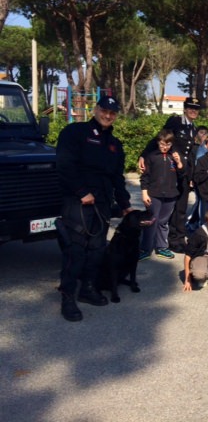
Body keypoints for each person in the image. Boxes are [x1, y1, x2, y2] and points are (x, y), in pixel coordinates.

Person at [56, 95, 132, 322]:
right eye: (104, 110)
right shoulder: (74, 132)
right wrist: (81, 191)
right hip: (78, 202)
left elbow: (118, 178)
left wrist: (126, 205)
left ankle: (87, 288)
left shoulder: (115, 144)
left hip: (102, 204)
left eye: (112, 112)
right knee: (76, 251)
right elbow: (64, 164)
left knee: (97, 249)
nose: (108, 115)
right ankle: (67, 296)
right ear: (96, 109)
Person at [139, 97, 202, 253]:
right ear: (185, 109)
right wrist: (143, 154)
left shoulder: (193, 128)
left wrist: (191, 174)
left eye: (196, 109)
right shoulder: (175, 122)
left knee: (181, 207)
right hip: (172, 170)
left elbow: (190, 153)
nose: (193, 111)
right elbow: (160, 138)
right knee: (168, 207)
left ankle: (177, 239)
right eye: (190, 108)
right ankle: (167, 240)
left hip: (184, 171)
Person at [140, 129, 183, 261]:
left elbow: (182, 174)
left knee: (163, 222)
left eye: (168, 145)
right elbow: (145, 176)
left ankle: (161, 247)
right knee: (151, 220)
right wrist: (144, 192)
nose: (165, 147)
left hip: (170, 194)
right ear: (158, 143)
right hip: (154, 194)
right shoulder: (151, 156)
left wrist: (179, 163)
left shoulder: (174, 157)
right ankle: (145, 248)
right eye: (162, 144)